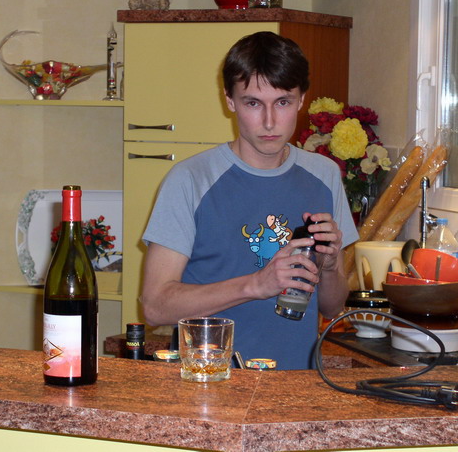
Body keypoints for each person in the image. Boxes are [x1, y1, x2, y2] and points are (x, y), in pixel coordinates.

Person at [141, 31, 358, 369]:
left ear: (302, 99)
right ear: (230, 101)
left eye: (283, 102)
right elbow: (155, 307)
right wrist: (257, 284)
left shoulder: (324, 175)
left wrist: (329, 268)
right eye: (253, 103)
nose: (269, 122)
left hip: (295, 382)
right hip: (209, 380)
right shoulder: (190, 179)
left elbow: (332, 307)